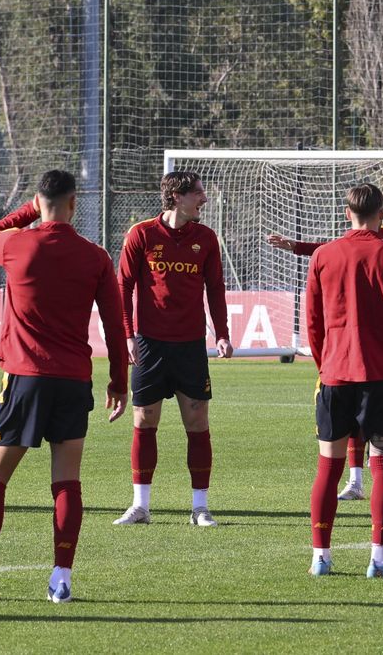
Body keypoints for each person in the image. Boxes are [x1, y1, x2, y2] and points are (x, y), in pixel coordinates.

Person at [0, 170, 128, 603]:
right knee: (67, 481)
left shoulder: (15, 243)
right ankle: (61, 580)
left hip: (25, 378)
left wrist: (28, 211)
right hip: (74, 380)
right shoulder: (96, 256)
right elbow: (115, 326)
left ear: (38, 201)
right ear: (75, 203)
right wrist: (119, 381)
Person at [304, 182, 383, 577]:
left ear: (346, 212)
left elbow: (313, 321)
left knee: (328, 468)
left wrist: (326, 363)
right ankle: (380, 558)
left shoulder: (323, 255)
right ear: (381, 212)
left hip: (335, 375)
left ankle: (320, 558)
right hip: (378, 376)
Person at [112, 171, 234, 528]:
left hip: (191, 346)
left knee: (197, 422)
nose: (205, 200)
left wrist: (222, 334)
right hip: (150, 344)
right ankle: (140, 506)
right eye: (198, 194)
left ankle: (200, 508)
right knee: (144, 420)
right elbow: (123, 286)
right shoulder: (141, 234)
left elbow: (215, 288)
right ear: (177, 197)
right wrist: (128, 335)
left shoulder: (206, 238)